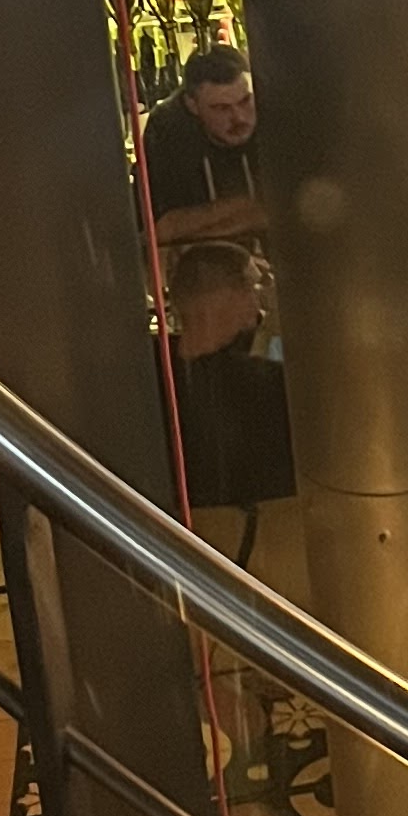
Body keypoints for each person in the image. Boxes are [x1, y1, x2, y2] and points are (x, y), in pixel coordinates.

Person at [164, 237, 293, 508]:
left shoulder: (147, 385)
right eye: (247, 290)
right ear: (219, 299)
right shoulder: (270, 386)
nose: (255, 305)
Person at [142, 42, 263, 246]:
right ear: (192, 105)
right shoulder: (167, 127)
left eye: (245, 101)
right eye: (221, 108)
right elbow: (160, 230)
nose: (239, 118)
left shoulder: (272, 106)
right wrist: (253, 205)